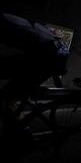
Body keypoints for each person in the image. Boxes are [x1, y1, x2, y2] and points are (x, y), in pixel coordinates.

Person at [0, 12, 69, 146]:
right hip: (51, 53)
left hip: (47, 56)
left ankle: (23, 136)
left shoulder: (4, 23)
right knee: (10, 96)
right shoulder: (8, 19)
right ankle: (13, 129)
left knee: (7, 95)